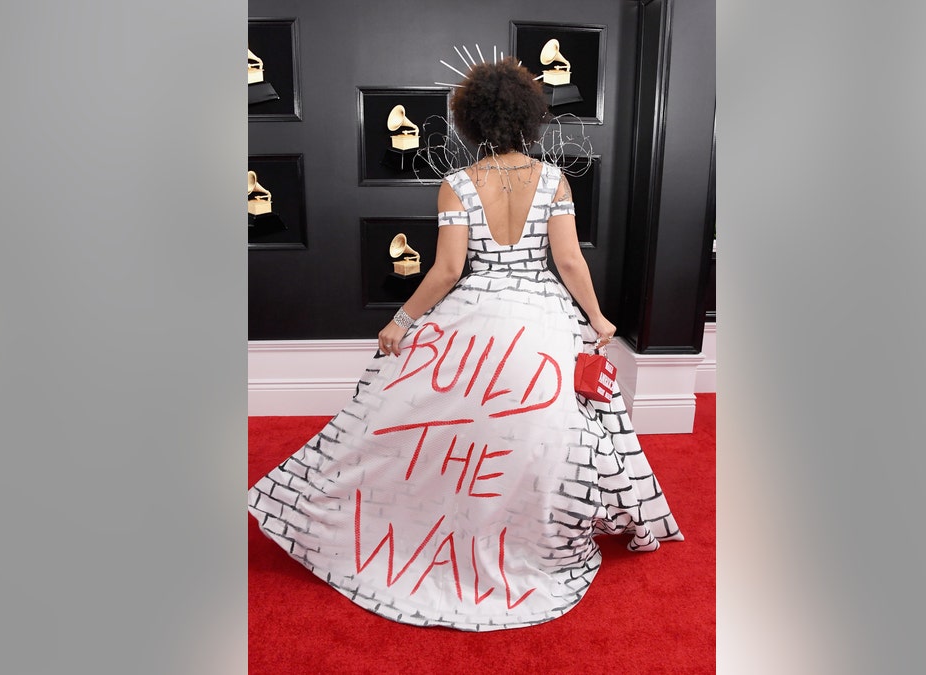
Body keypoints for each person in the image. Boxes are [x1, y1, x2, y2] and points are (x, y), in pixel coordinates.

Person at [248, 56, 682, 632]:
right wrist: (598, 317)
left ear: (471, 122)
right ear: (529, 116)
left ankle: (426, 523)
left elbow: (448, 271)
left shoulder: (457, 185)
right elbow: (569, 260)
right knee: (542, 436)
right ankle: (527, 531)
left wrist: (401, 319)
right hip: (541, 318)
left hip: (476, 315)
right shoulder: (553, 180)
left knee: (437, 429)